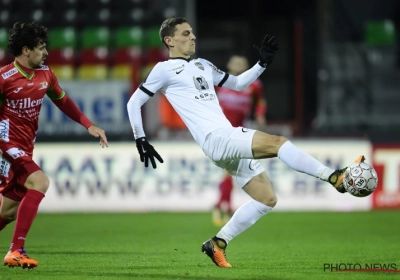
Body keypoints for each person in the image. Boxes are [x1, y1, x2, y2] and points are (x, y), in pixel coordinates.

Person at [126, 17, 365, 268]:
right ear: (169, 40)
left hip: (223, 140)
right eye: (186, 34)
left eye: (193, 32)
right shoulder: (163, 69)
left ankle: (218, 243)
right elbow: (134, 102)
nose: (193, 37)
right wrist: (140, 138)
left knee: (266, 199)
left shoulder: (203, 65)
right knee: (278, 142)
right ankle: (334, 178)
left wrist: (262, 63)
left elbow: (239, 84)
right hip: (216, 138)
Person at [0, 21, 108, 269]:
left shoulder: (45, 74)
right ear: (26, 50)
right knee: (40, 182)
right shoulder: (4, 78)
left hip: (25, 147)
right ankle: (16, 250)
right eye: (41, 47)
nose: (46, 52)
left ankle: (15, 248)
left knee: (7, 212)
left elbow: (63, 101)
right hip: (6, 145)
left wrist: (88, 124)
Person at [213, 55, 267, 226]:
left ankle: (222, 205)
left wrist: (259, 114)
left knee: (230, 170)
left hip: (240, 132)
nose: (239, 66)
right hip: (221, 132)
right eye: (236, 63)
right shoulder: (219, 82)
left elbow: (261, 101)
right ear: (228, 65)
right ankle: (223, 206)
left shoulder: (254, 84)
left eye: (243, 63)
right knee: (230, 169)